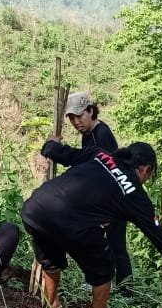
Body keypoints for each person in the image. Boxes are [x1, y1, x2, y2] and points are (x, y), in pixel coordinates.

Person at [21, 142, 162, 308]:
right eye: (149, 175)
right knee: (103, 268)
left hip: (35, 209)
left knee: (51, 261)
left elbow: (64, 154)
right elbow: (158, 236)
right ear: (146, 168)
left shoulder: (99, 155)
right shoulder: (134, 193)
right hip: (69, 222)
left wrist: (50, 144)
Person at [40, 91, 134, 294]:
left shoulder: (102, 135)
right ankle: (101, 282)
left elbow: (95, 165)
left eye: (79, 116)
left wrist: (53, 148)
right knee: (101, 243)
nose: (76, 122)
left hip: (111, 200)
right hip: (101, 200)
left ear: (91, 111)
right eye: (72, 118)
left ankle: (127, 291)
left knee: (116, 245)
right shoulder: (89, 135)